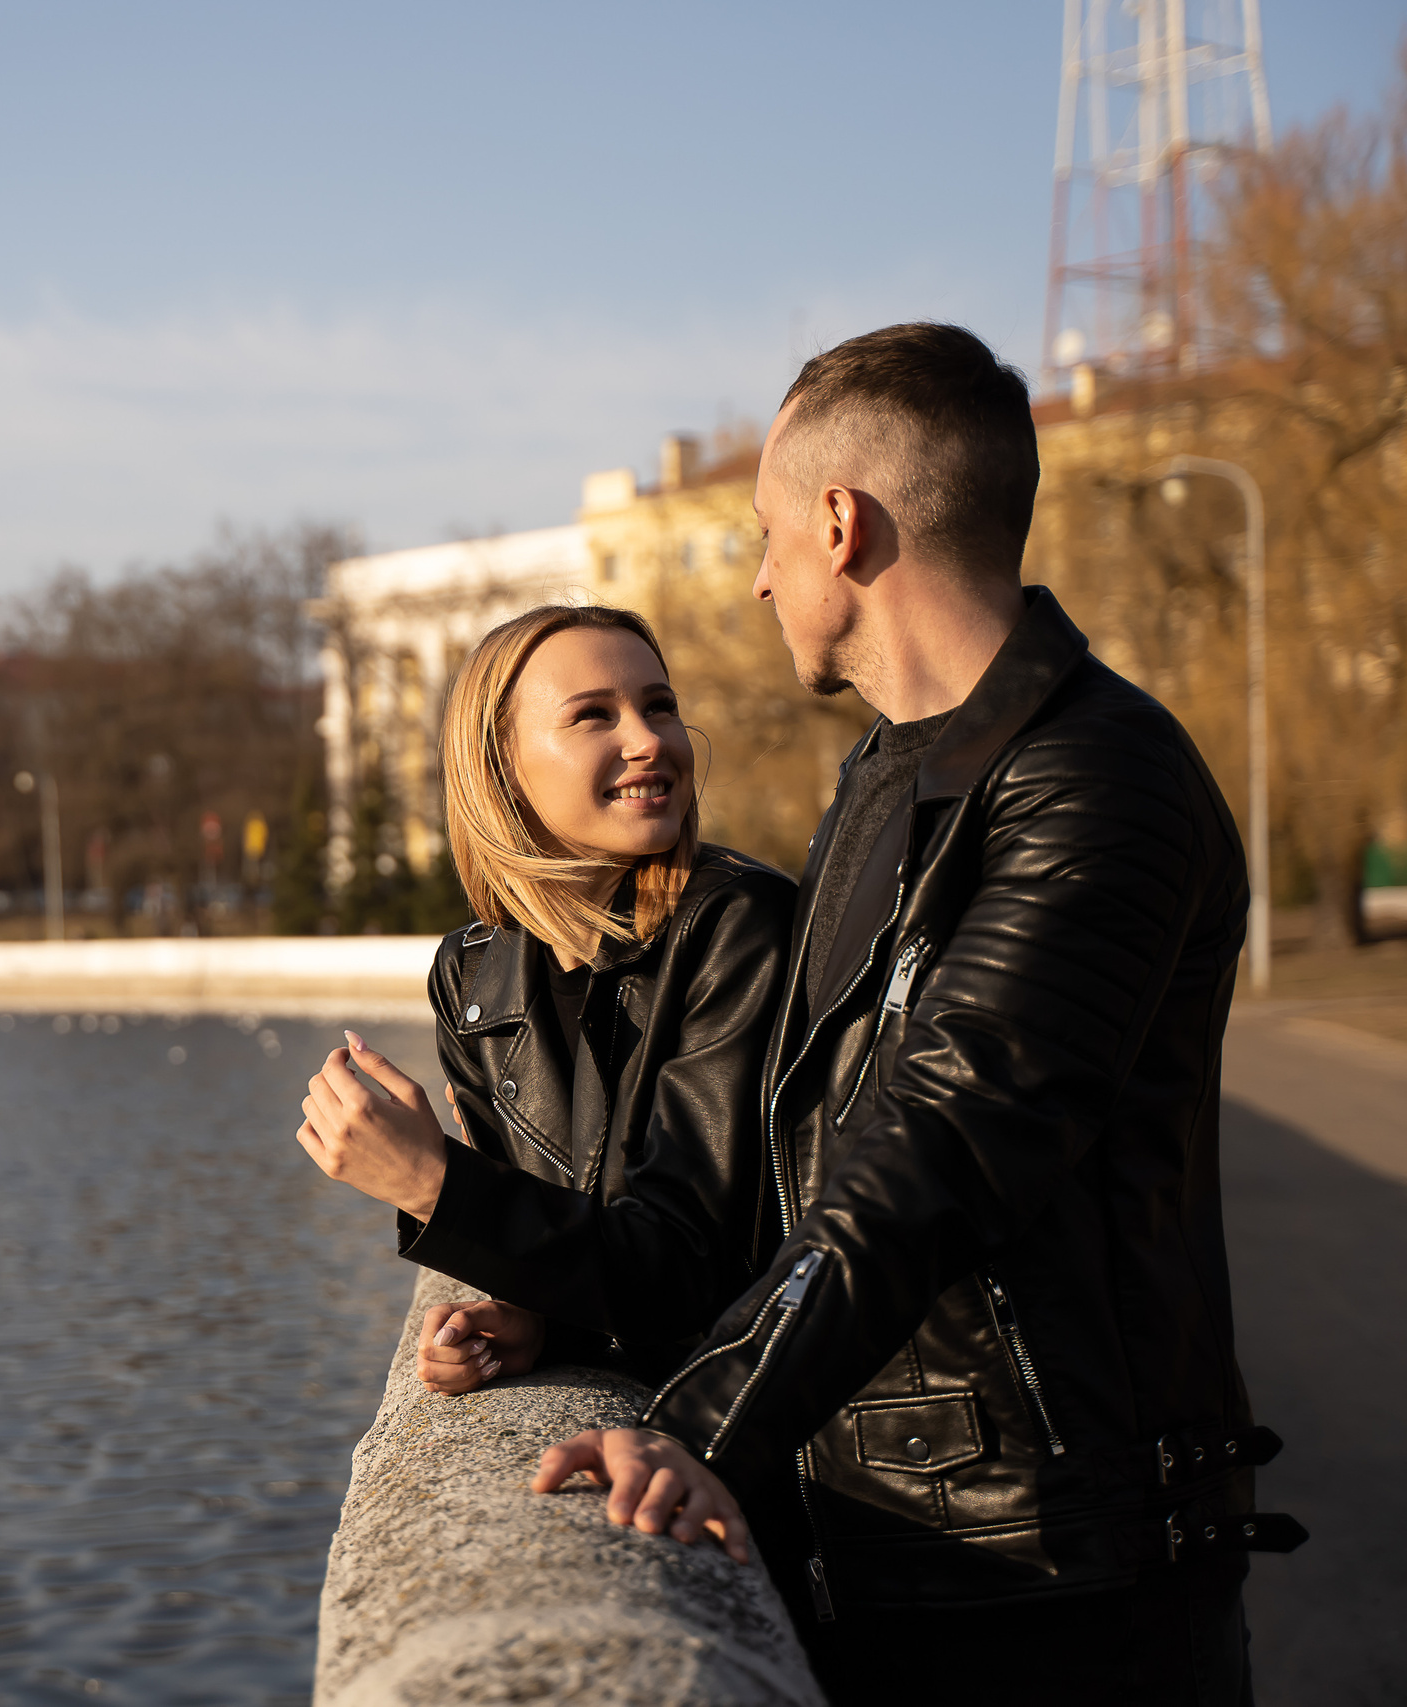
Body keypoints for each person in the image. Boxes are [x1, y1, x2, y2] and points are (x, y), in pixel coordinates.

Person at [532, 323, 1301, 1705]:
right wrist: (559, 1301)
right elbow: (788, 1168)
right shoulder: (885, 782)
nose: (760, 576)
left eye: (766, 535)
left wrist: (701, 1416)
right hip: (882, 1540)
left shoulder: (1098, 784)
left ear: (841, 522)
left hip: (1064, 1574)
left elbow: (941, 1147)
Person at [291, 603, 793, 1563]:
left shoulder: (740, 925)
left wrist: (431, 1182)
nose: (650, 741)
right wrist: (524, 1320)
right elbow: (585, 1230)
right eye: (594, 715)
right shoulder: (473, 974)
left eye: (660, 704)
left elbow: (695, 1267)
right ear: (501, 767)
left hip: (760, 1462)